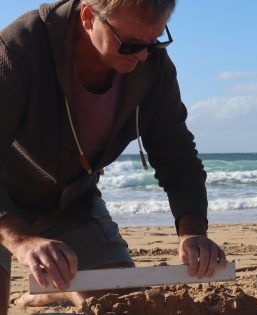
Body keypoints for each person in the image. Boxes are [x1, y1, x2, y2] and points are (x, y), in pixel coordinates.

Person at [0, 0, 226, 312]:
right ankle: (56, 280)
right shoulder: (17, 49)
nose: (144, 55)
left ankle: (54, 289)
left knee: (121, 307)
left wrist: (192, 232)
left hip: (71, 202)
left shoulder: (153, 65)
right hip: (4, 198)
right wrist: (21, 241)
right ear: (88, 17)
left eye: (156, 40)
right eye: (131, 45)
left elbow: (178, 157)